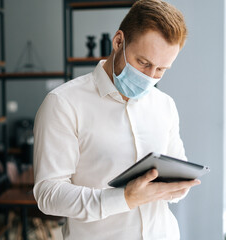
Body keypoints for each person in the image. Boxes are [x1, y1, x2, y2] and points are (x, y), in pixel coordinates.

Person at [33, 0, 201, 239]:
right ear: (119, 41)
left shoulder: (164, 105)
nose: (150, 77)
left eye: (161, 69)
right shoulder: (63, 103)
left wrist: (177, 187)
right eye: (143, 63)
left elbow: (178, 173)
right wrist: (124, 198)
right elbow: (48, 194)